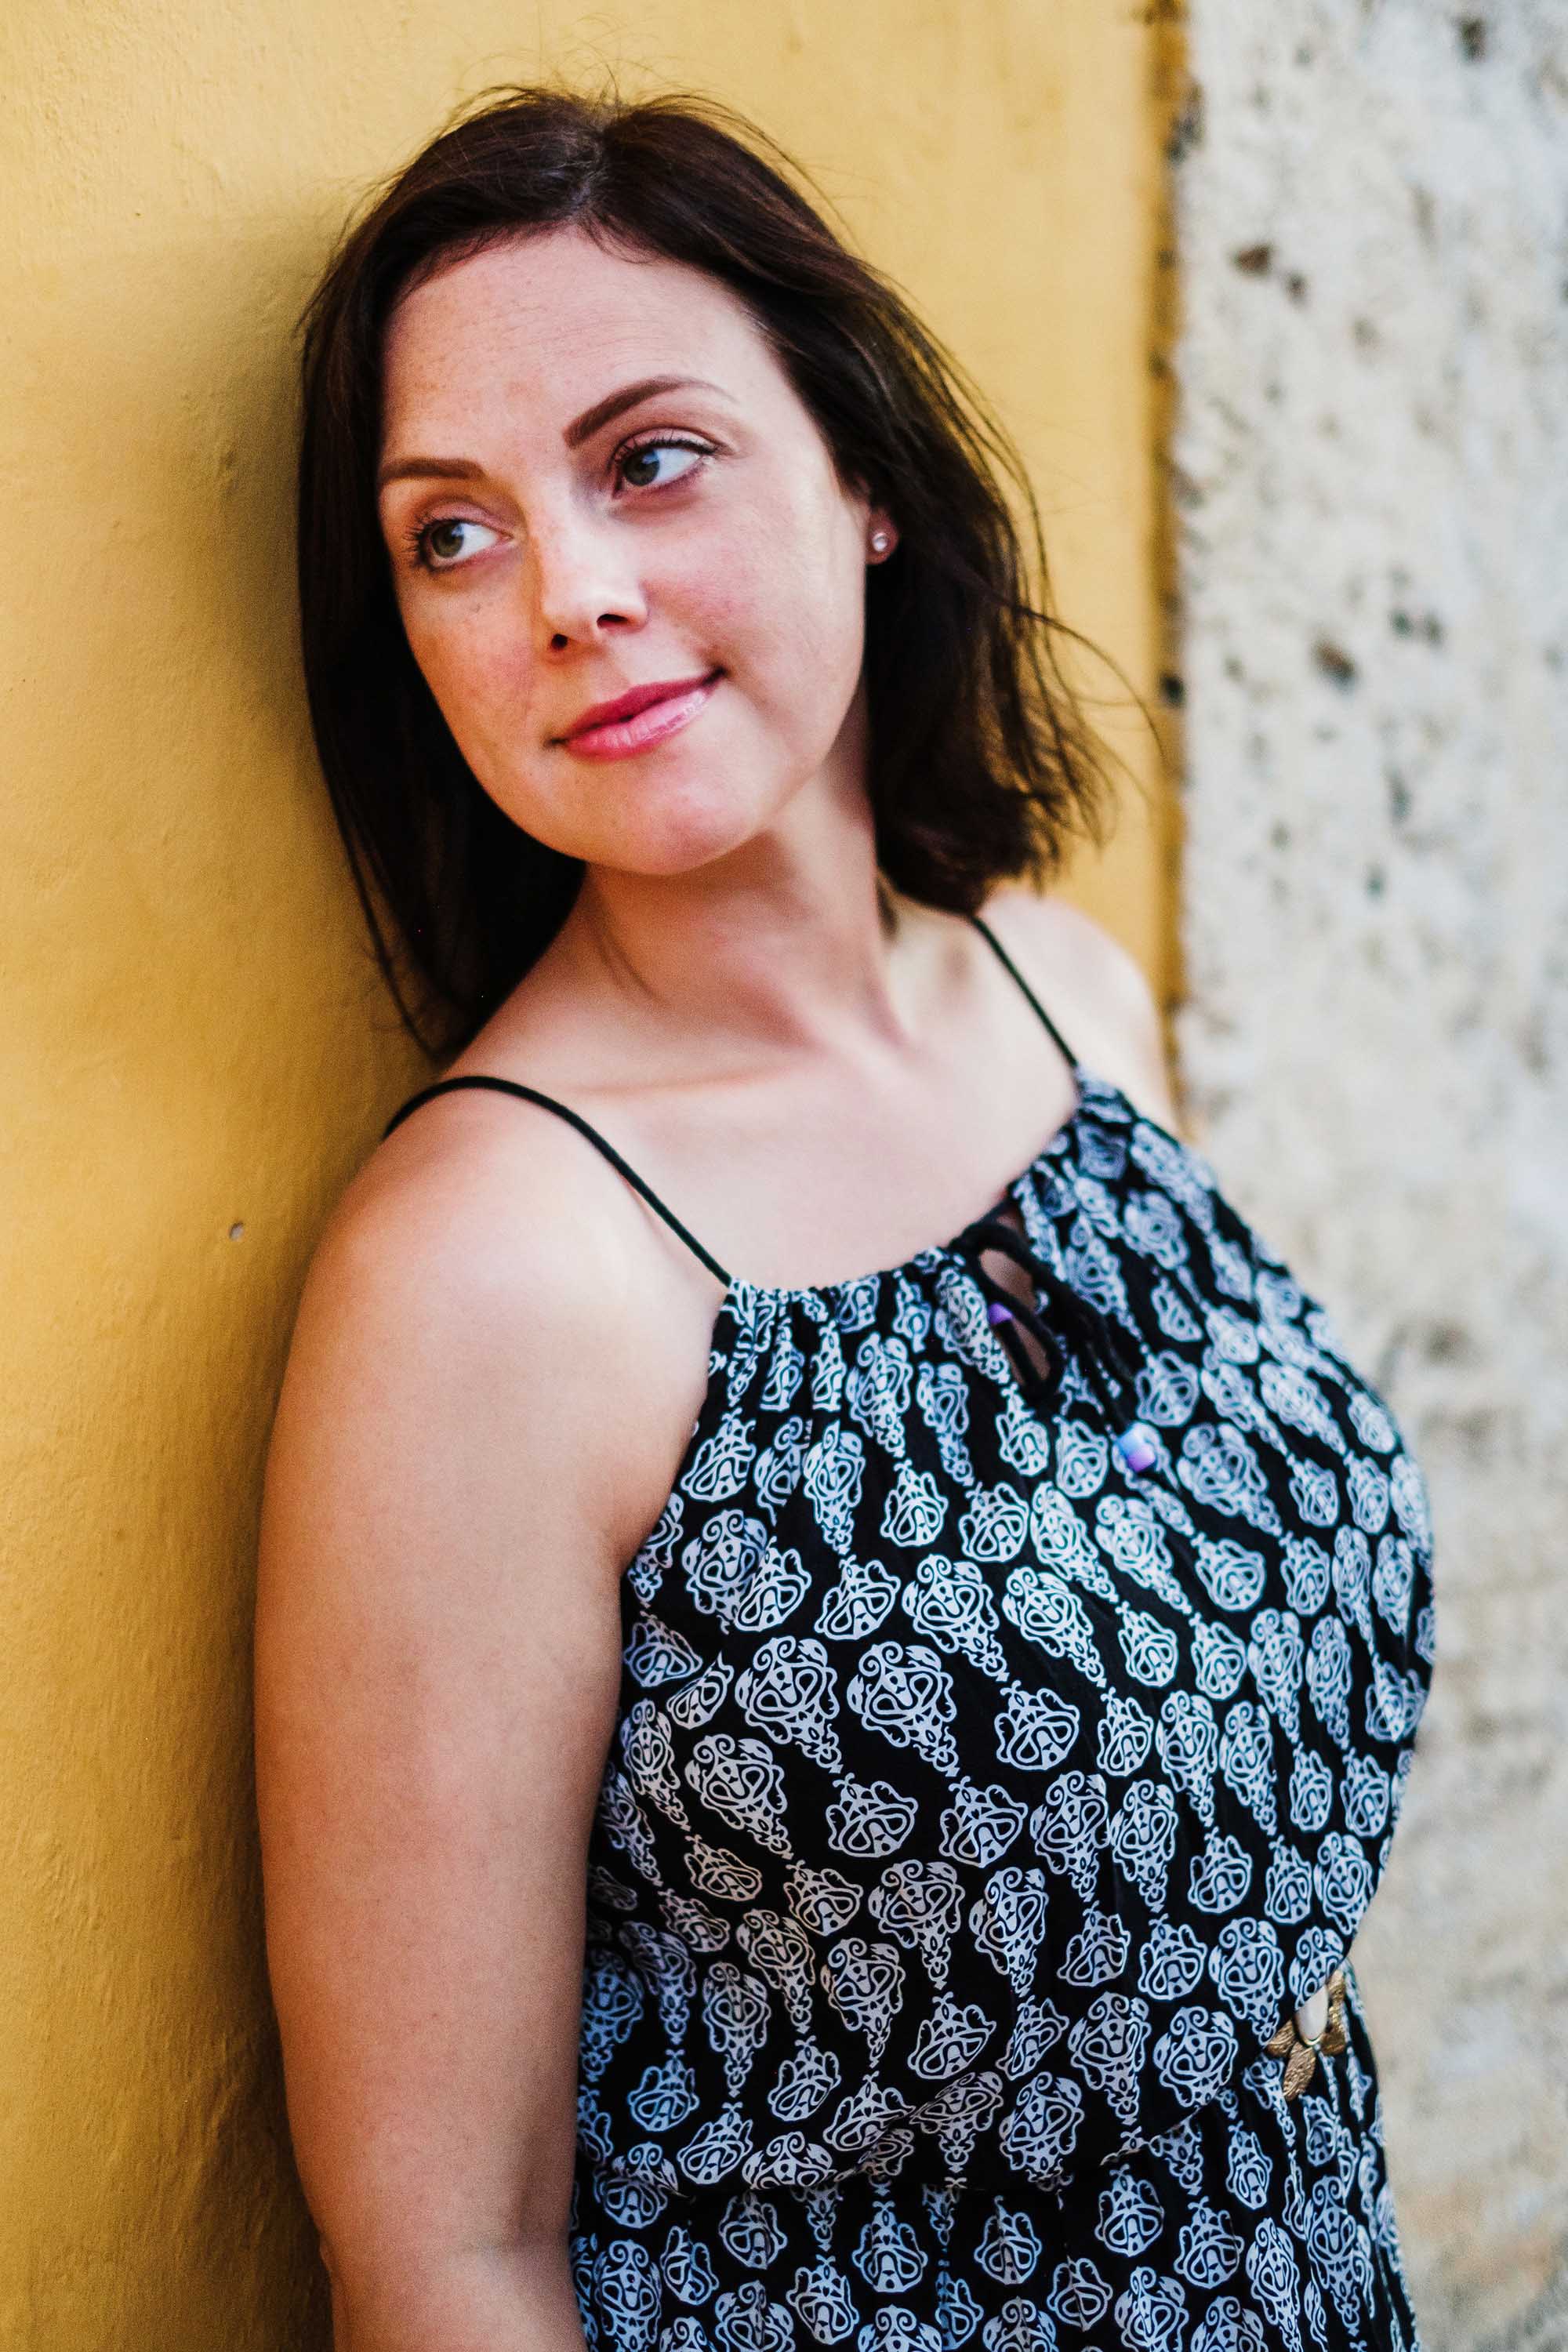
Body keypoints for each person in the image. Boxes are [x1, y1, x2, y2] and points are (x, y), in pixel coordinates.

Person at [256, 85, 1437, 2352]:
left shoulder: (1067, 995)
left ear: (865, 479)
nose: (571, 592)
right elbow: (445, 2253)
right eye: (450, 534)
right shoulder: (496, 1271)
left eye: (651, 458)